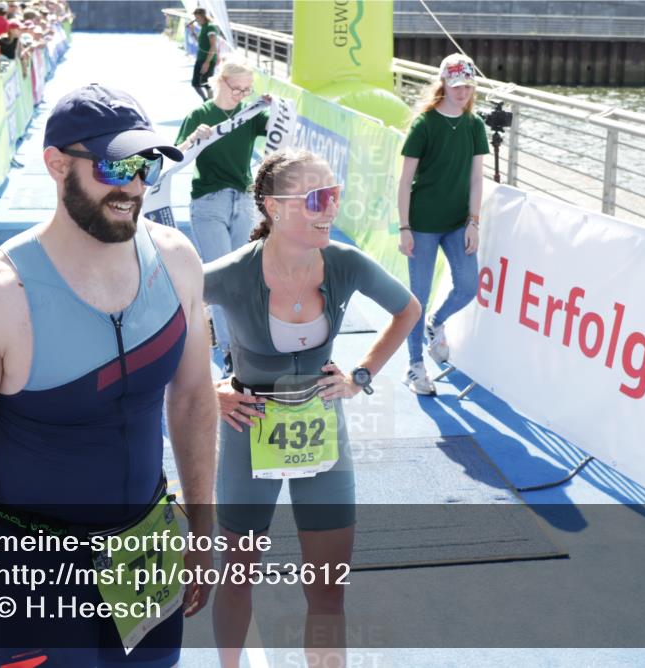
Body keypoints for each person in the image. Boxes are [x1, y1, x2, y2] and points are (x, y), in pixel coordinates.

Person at [0, 84, 218, 667]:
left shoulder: (178, 260)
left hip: (148, 547)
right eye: (115, 165)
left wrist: (202, 527)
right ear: (57, 165)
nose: (133, 184)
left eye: (146, 164)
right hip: (39, 571)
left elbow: (191, 400)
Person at [205, 149, 420, 667]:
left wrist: (360, 376)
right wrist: (212, 387)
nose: (331, 209)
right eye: (317, 199)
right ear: (274, 207)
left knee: (328, 591)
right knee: (237, 579)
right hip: (247, 435)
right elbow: (165, 317)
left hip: (323, 439)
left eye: (336, 196)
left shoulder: (344, 263)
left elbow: (407, 309)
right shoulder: (232, 273)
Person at [397, 53, 489, 395]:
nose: (462, 91)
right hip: (421, 223)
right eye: (455, 84)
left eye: (467, 84)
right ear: (443, 85)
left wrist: (473, 222)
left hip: (456, 223)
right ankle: (414, 366)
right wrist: (404, 227)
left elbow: (477, 179)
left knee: (468, 285)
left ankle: (437, 324)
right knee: (416, 297)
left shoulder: (475, 125)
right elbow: (405, 180)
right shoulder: (424, 125)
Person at [176, 57, 267, 376]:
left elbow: (280, 129)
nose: (240, 95)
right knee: (223, 279)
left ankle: (236, 341)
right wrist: (193, 139)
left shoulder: (249, 114)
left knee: (241, 277)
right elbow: (177, 156)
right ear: (219, 82)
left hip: (242, 200)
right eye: (236, 88)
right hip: (208, 201)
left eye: (247, 90)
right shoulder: (200, 115)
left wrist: (273, 106)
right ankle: (231, 352)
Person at [190, 7, 219, 100]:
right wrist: (193, 31)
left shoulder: (210, 27)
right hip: (200, 58)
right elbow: (201, 43)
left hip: (207, 60)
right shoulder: (203, 27)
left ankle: (211, 103)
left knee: (207, 83)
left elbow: (213, 45)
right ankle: (206, 101)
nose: (195, 19)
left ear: (202, 16)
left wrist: (207, 62)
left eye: (197, 17)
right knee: (196, 83)